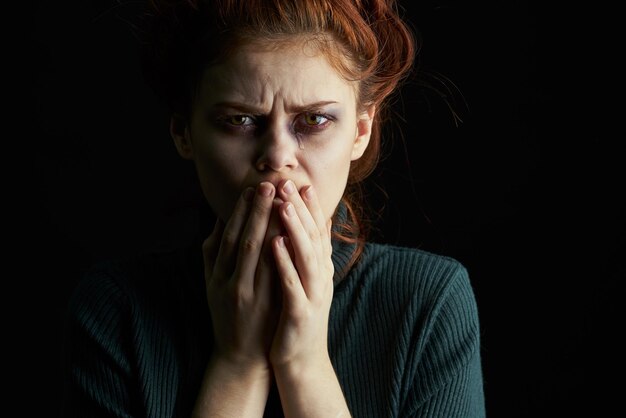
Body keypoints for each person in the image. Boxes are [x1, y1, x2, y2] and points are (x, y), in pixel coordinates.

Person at [62, 0, 486, 416]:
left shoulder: (428, 302)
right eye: (239, 120)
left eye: (315, 120)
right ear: (183, 131)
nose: (277, 155)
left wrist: (305, 366)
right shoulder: (116, 309)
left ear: (360, 130)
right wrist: (237, 365)